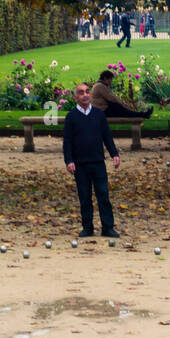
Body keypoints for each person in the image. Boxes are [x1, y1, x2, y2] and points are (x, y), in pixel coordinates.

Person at [62, 82, 121, 238]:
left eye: (87, 91)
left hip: (98, 162)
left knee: (103, 195)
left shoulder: (99, 115)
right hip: (80, 164)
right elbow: (67, 141)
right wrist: (69, 160)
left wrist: (114, 154)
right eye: (81, 92)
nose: (85, 95)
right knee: (85, 197)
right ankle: (87, 227)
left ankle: (108, 227)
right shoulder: (71, 117)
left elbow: (107, 136)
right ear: (76, 97)